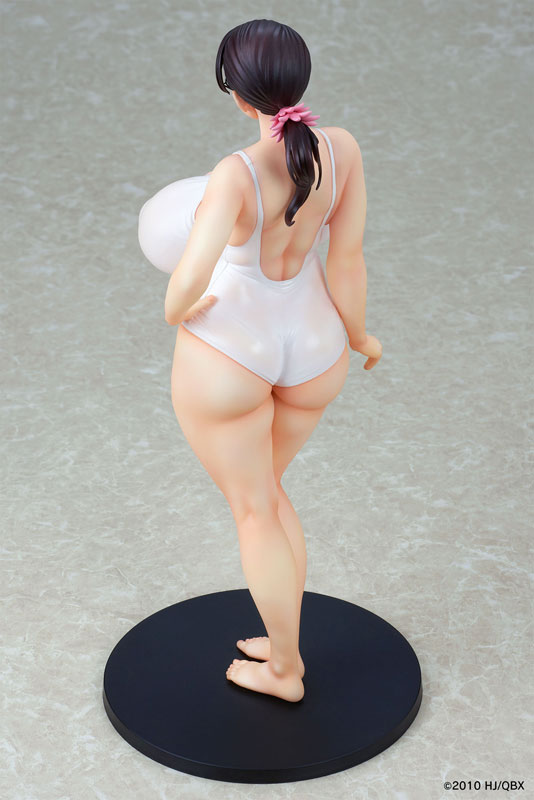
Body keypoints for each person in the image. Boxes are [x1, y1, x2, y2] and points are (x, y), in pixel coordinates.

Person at [163, 19, 382, 702]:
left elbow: (184, 282)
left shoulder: (235, 174)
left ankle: (285, 670)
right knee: (271, 496)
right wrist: (361, 336)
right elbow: (347, 260)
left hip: (233, 355)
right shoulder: (341, 149)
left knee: (255, 508)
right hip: (315, 349)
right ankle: (283, 643)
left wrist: (177, 310)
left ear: (237, 95)